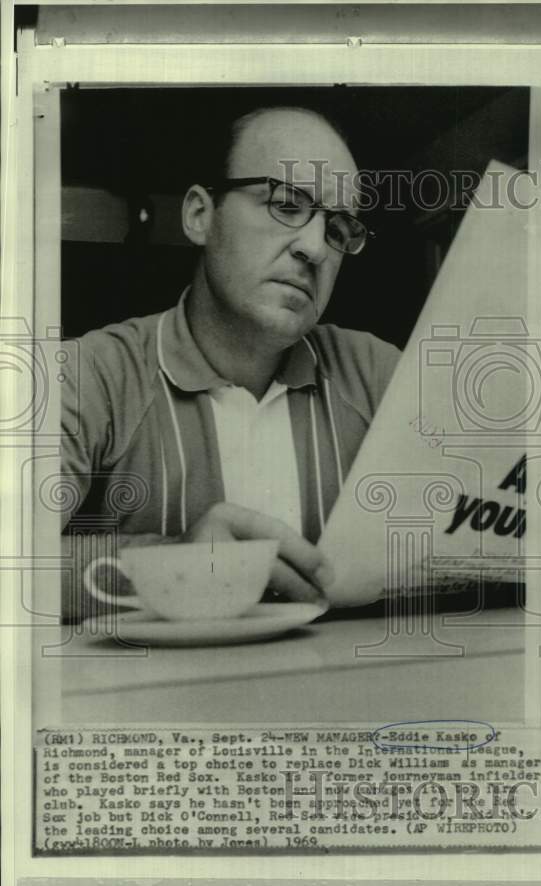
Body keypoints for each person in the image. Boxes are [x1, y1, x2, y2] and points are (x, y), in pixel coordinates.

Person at [60, 106, 401, 621]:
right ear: (200, 215)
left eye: (338, 228)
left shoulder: (378, 375)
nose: (313, 247)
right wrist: (171, 563)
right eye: (287, 204)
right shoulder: (91, 375)